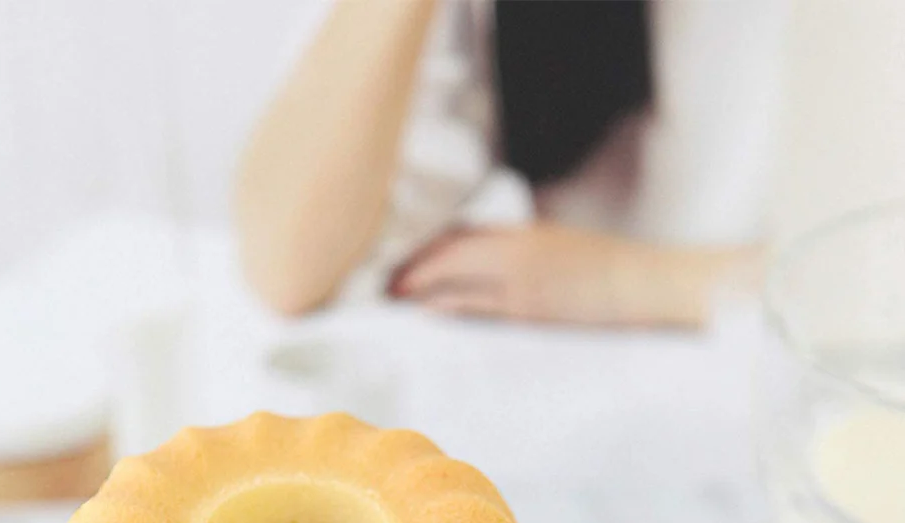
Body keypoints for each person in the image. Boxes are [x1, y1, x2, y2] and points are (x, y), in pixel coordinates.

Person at [238, 1, 785, 327]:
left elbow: (865, 287)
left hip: (799, 394)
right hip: (584, 409)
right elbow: (290, 264)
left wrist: (638, 282)